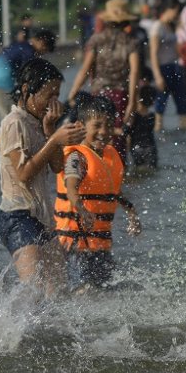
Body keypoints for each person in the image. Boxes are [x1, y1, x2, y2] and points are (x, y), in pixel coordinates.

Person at [0, 58, 86, 288]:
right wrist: (55, 139)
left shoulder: (39, 122)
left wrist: (49, 131)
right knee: (33, 290)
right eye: (49, 95)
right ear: (27, 90)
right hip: (18, 217)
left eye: (57, 94)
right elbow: (24, 174)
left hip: (42, 217)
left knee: (58, 289)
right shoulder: (13, 123)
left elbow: (56, 166)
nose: (53, 102)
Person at [54, 96, 141, 291]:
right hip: (75, 246)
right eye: (98, 125)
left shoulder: (111, 155)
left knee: (104, 294)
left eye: (110, 125)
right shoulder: (77, 158)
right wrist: (82, 211)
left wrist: (132, 213)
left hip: (100, 245)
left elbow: (113, 194)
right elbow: (71, 189)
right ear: (81, 125)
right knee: (79, 295)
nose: (104, 132)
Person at [68, 0, 140, 158]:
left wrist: (73, 92)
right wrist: (132, 102)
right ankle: (118, 172)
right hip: (121, 95)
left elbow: (85, 69)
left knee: (97, 135)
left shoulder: (96, 39)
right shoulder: (131, 42)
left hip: (99, 94)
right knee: (117, 136)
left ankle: (96, 168)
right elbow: (134, 73)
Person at [0, 29, 57, 144]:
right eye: (44, 50)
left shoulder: (18, 44)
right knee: (10, 119)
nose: (42, 54)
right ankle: (11, 146)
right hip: (2, 83)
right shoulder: (29, 52)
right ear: (42, 42)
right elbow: (28, 77)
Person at [148, 0, 186, 131]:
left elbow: (176, 51)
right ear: (168, 10)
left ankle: (185, 132)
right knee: (160, 104)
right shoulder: (157, 27)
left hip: (175, 67)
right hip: (163, 69)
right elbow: (153, 54)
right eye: (176, 11)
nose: (177, 15)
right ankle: (159, 130)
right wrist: (158, 76)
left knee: (182, 103)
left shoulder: (171, 26)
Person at [123, 85, 158, 170]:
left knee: (138, 170)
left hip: (137, 148)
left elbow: (126, 131)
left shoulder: (134, 116)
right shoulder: (152, 116)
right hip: (150, 147)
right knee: (151, 170)